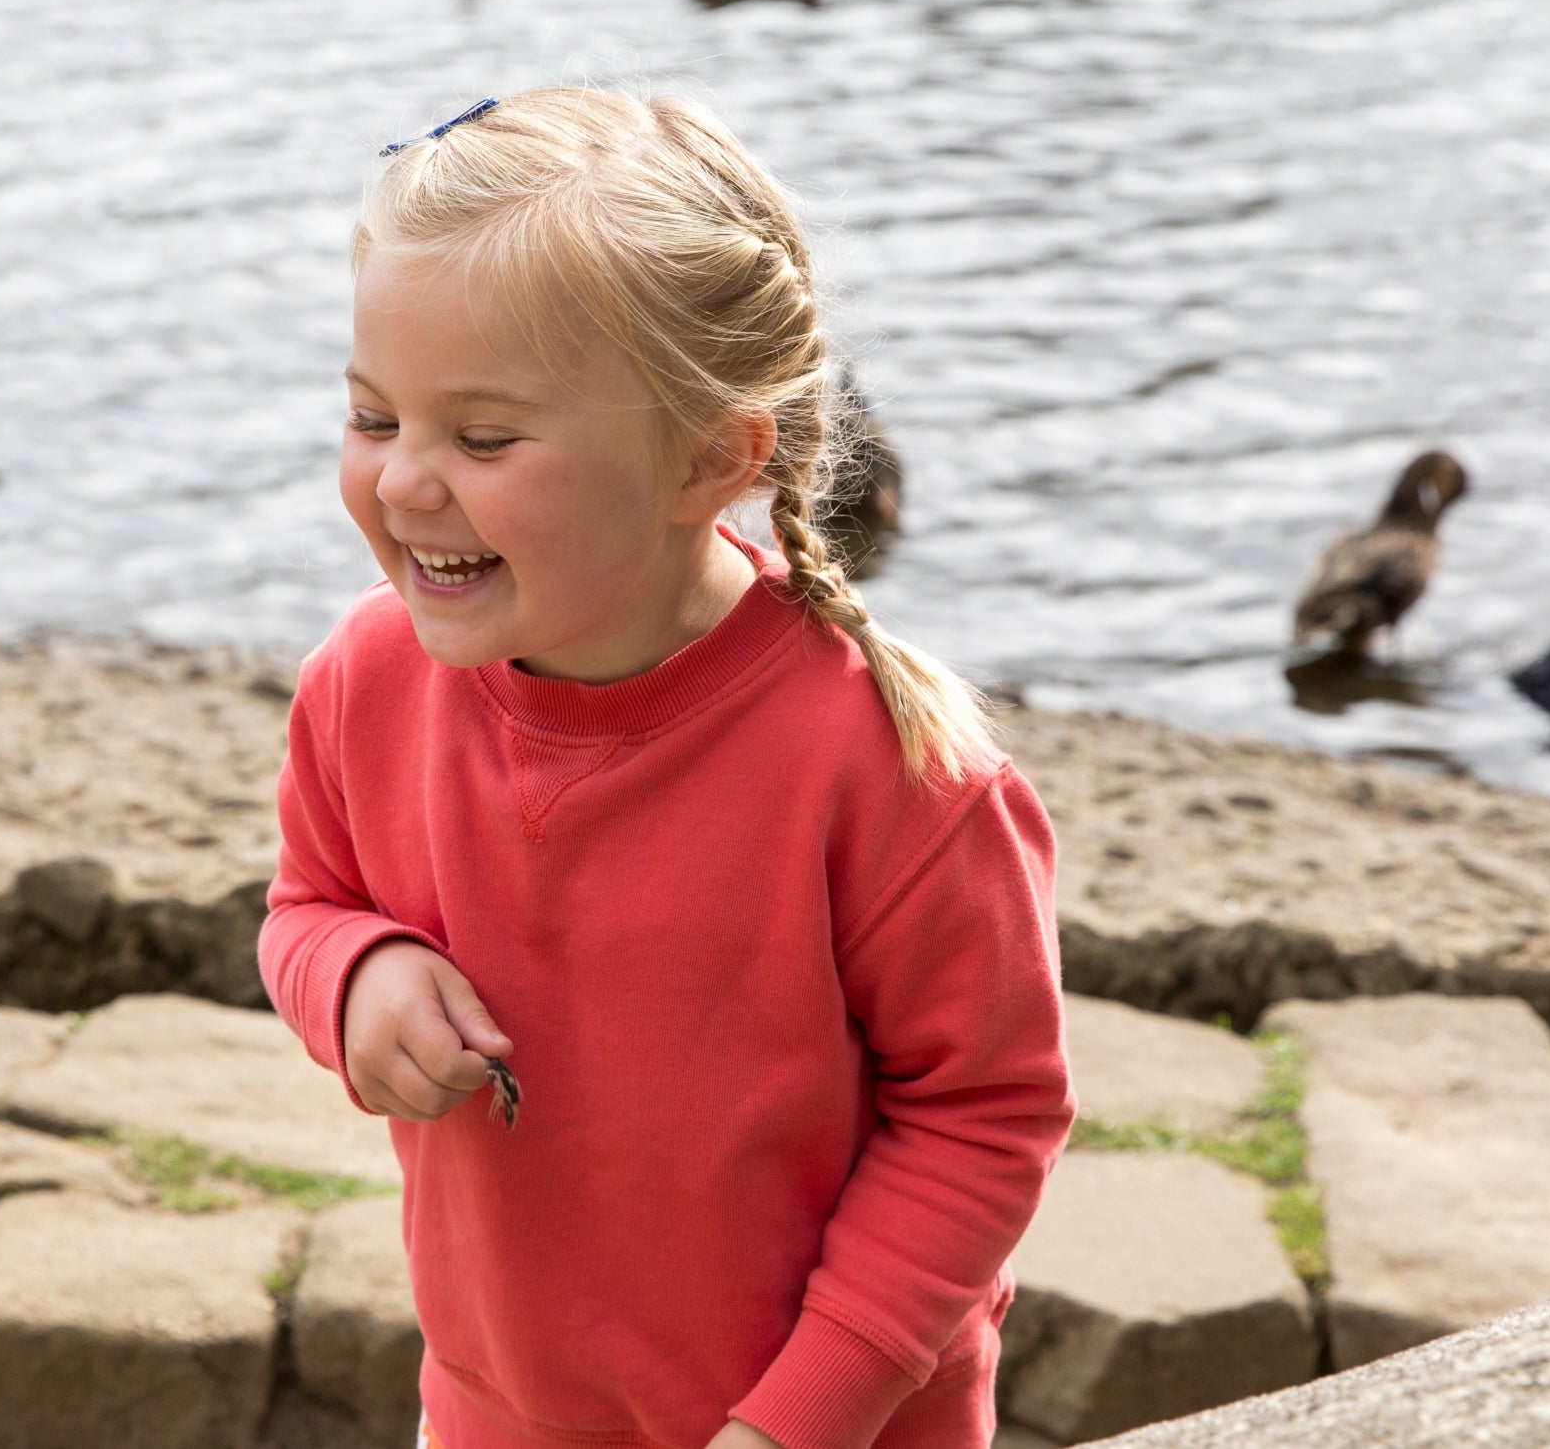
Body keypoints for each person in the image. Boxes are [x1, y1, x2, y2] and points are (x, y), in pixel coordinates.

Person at [260, 87, 1074, 1449]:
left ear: (711, 459)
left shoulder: (884, 764)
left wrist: (797, 1422)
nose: (403, 483)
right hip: (494, 1417)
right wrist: (351, 977)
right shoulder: (365, 683)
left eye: (483, 436)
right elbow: (305, 902)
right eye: (372, 417)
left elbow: (985, 1117)